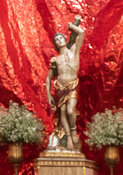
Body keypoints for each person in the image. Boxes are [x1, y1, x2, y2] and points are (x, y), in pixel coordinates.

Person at [47, 15, 84, 150]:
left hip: (73, 84)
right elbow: (48, 78)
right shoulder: (55, 60)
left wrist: (72, 26)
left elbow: (81, 32)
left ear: (65, 39)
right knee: (62, 111)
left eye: (60, 38)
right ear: (55, 44)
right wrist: (49, 95)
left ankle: (73, 131)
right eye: (56, 40)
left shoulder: (74, 50)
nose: (59, 40)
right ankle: (68, 137)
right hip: (60, 88)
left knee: (70, 110)